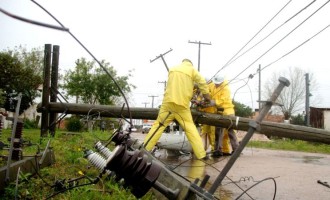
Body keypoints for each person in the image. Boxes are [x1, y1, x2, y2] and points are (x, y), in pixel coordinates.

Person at [143, 59, 212, 159]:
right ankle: (201, 155)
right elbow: (203, 84)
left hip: (167, 104)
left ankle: (145, 149)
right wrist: (207, 98)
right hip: (182, 106)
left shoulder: (173, 69)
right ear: (191, 64)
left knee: (158, 126)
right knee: (190, 129)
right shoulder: (192, 70)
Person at [211, 74, 239, 156]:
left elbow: (222, 100)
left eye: (218, 83)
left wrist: (213, 102)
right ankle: (218, 150)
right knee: (218, 131)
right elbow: (208, 93)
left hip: (228, 111)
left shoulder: (226, 88)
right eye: (215, 83)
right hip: (219, 111)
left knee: (230, 131)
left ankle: (236, 149)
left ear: (222, 81)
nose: (216, 84)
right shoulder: (213, 86)